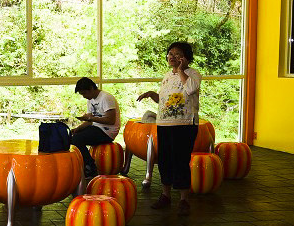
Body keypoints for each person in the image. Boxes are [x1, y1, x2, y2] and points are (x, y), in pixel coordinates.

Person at [137, 41, 203, 216]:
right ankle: (165, 195)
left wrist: (181, 70)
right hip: (165, 124)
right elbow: (165, 101)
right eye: (170, 54)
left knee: (180, 160)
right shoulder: (167, 76)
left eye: (178, 54)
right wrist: (153, 95)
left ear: (186, 57)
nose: (173, 57)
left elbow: (189, 89)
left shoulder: (193, 74)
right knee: (165, 160)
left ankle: (184, 200)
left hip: (185, 124)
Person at [69, 77, 121, 178]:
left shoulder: (106, 97)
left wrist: (90, 118)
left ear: (92, 88)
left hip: (108, 131)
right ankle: (83, 165)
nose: (84, 96)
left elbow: (111, 120)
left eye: (84, 93)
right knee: (74, 137)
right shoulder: (90, 100)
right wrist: (78, 129)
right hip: (97, 128)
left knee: (77, 139)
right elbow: (90, 121)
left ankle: (91, 168)